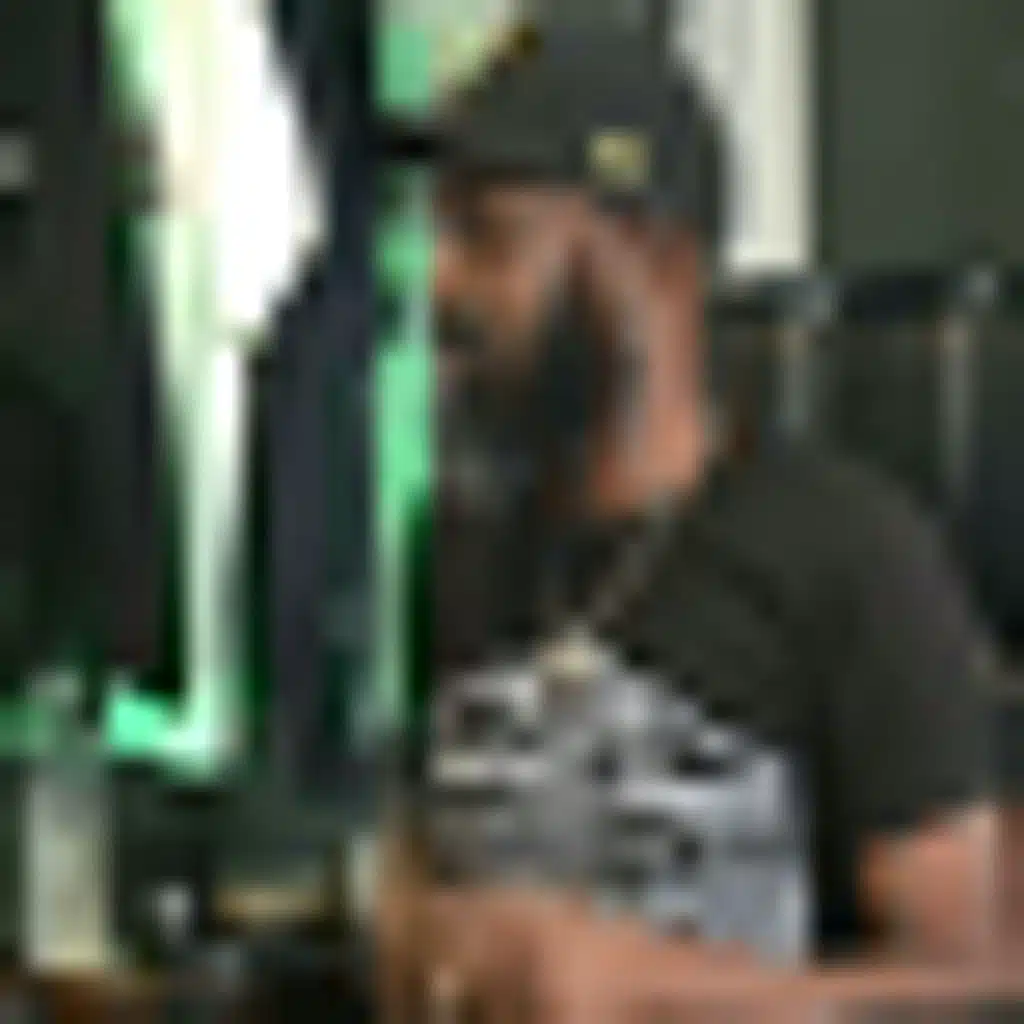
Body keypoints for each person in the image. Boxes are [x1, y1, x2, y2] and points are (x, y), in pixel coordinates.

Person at [379, 25, 996, 1021]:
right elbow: (424, 856)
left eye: (489, 238)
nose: (440, 284)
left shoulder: (848, 557)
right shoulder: (461, 546)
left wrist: (657, 989)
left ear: (658, 265)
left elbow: (977, 980)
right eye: (438, 234)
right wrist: (413, 926)